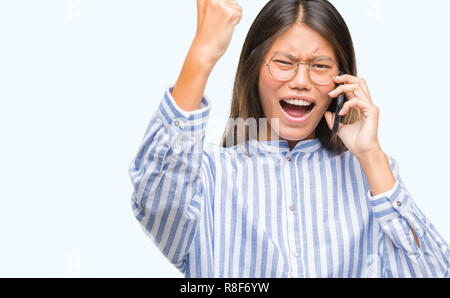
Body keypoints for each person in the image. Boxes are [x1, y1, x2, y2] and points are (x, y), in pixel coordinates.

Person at [128, 0, 449, 277]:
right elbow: (155, 198)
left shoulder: (372, 179)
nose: (300, 81)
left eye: (320, 66)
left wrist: (371, 156)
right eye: (284, 63)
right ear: (254, 70)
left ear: (343, 80)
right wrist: (201, 55)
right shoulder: (207, 176)